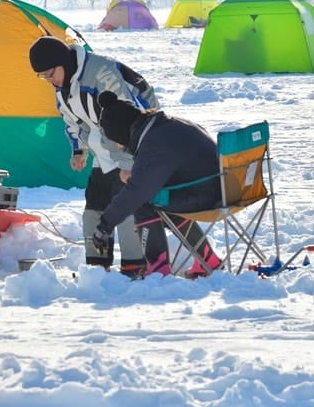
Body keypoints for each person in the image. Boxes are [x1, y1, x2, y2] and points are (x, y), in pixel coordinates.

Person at [28, 35, 152, 276]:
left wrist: (128, 160)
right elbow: (71, 120)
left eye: (50, 74)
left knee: (126, 205)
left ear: (63, 62)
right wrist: (78, 149)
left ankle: (134, 265)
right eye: (42, 77)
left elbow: (130, 115)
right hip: (102, 145)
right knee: (94, 208)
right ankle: (97, 265)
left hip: (130, 142)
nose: (49, 81)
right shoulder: (62, 88)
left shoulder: (101, 73)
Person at [91, 90, 223, 278]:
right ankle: (207, 260)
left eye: (118, 142)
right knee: (162, 198)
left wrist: (105, 225)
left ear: (122, 131)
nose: (120, 147)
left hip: (209, 195)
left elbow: (136, 192)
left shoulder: (154, 143)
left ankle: (158, 270)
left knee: (146, 202)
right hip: (221, 186)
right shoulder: (167, 126)